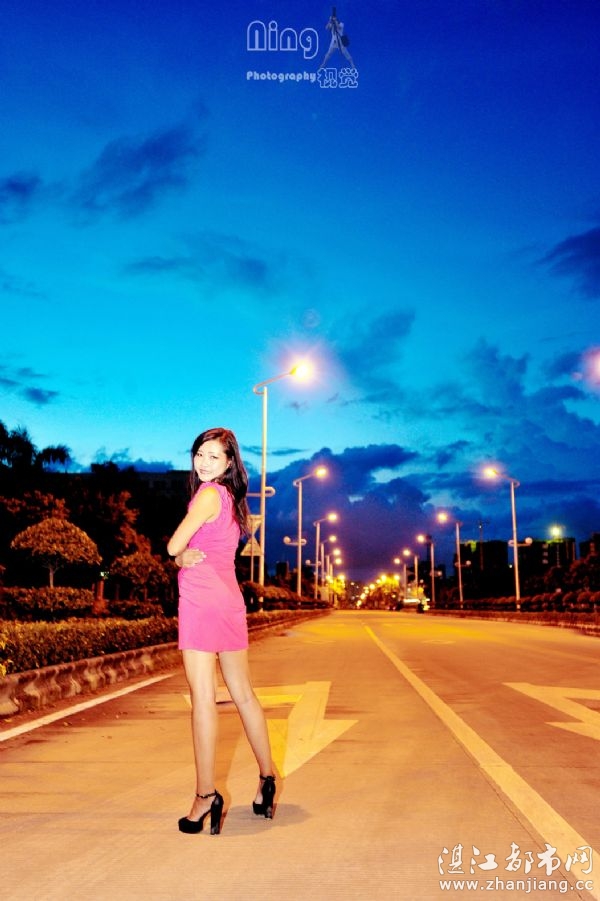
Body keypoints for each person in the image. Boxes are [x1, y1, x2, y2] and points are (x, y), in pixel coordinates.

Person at [167, 427, 276, 835]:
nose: (204, 462)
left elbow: (174, 545)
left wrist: (178, 558)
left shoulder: (208, 495)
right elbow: (209, 550)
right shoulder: (232, 501)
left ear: (229, 463)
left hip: (201, 602)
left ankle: (205, 796)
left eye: (214, 456)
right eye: (200, 454)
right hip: (230, 601)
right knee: (244, 695)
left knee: (204, 700)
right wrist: (183, 558)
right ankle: (267, 779)